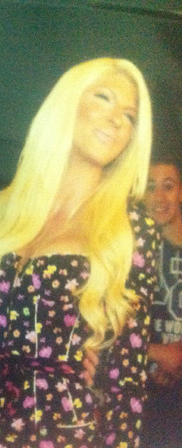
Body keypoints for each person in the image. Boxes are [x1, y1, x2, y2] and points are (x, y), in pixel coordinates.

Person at [0, 57, 157, 447]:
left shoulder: (130, 231)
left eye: (130, 116)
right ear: (67, 103)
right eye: (104, 98)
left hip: (53, 431)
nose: (117, 119)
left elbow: (126, 381)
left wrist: (100, 370)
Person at [141, 156, 182, 447]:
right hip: (145, 386)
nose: (159, 197)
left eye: (168, 186)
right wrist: (156, 355)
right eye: (150, 187)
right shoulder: (131, 249)